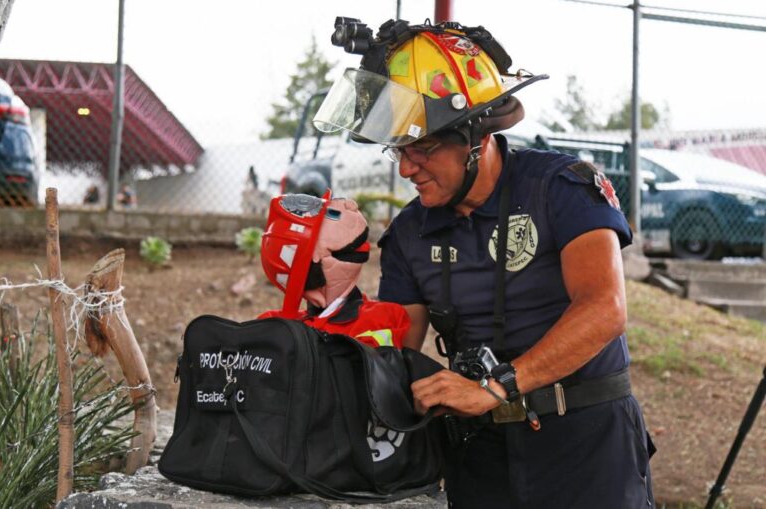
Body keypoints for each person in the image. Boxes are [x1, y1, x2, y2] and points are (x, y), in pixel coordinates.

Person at [314, 18, 655, 508]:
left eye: (422, 148)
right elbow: (394, 349)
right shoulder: (410, 232)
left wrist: (498, 386)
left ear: (477, 136)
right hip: (479, 455)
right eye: (398, 151)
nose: (406, 168)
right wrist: (329, 308)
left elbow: (604, 309)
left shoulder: (560, 188)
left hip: (588, 446)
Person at [259, 191, 409, 349]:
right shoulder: (271, 328)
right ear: (311, 260)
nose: (351, 204)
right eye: (329, 215)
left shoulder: (383, 317)